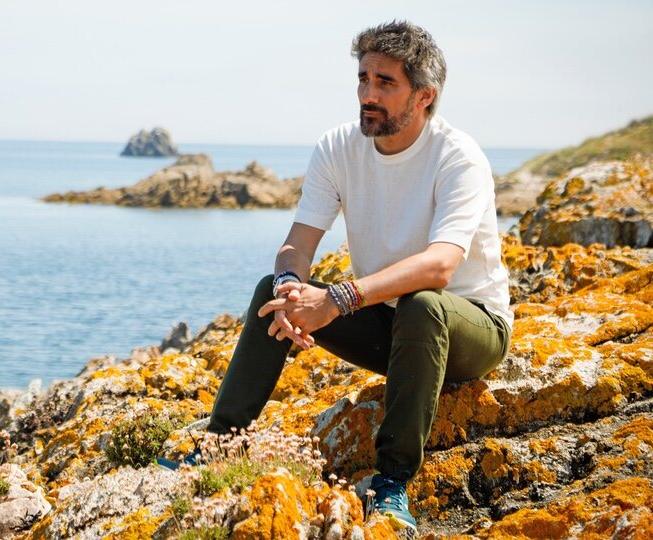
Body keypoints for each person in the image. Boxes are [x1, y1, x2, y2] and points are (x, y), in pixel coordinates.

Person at [157, 20, 512, 534]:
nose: (368, 94)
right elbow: (297, 246)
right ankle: (219, 443)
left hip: (469, 329)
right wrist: (289, 289)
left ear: (424, 96)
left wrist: (340, 298)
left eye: (385, 83)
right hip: (391, 327)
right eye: (363, 78)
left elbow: (440, 267)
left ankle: (391, 486)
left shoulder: (458, 158)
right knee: (270, 291)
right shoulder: (338, 147)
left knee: (423, 304)